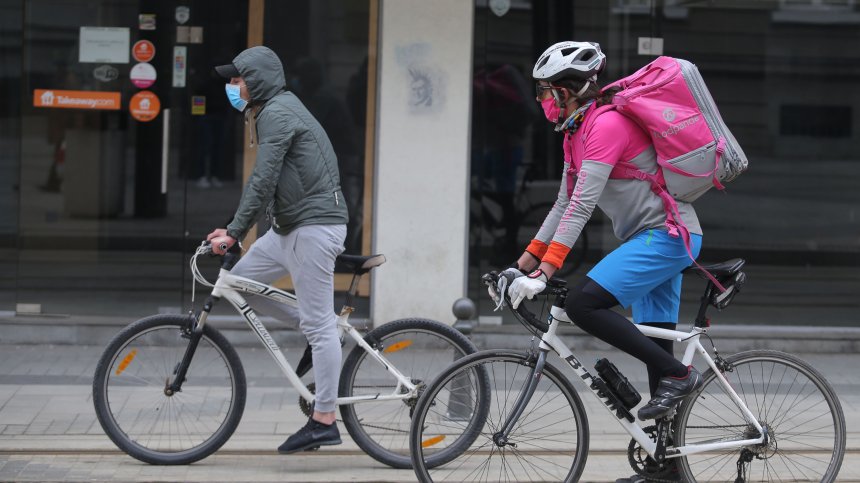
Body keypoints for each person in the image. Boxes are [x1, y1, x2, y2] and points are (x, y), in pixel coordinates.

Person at [504, 41, 703, 483]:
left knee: (582, 305)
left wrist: (546, 272)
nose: (540, 102)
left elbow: (582, 207)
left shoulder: (606, 126)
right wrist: (521, 264)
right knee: (658, 351)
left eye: (543, 92)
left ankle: (681, 374)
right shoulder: (576, 131)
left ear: (564, 91)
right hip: (648, 239)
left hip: (668, 238)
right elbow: (561, 203)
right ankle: (666, 468)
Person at [208, 45, 349, 455]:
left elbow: (263, 179)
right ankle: (322, 333)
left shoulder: (277, 113)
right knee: (242, 285)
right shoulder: (271, 110)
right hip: (290, 227)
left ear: (256, 81)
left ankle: (324, 419)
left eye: (237, 80)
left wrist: (234, 232)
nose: (233, 87)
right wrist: (236, 230)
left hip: (314, 229)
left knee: (321, 328)